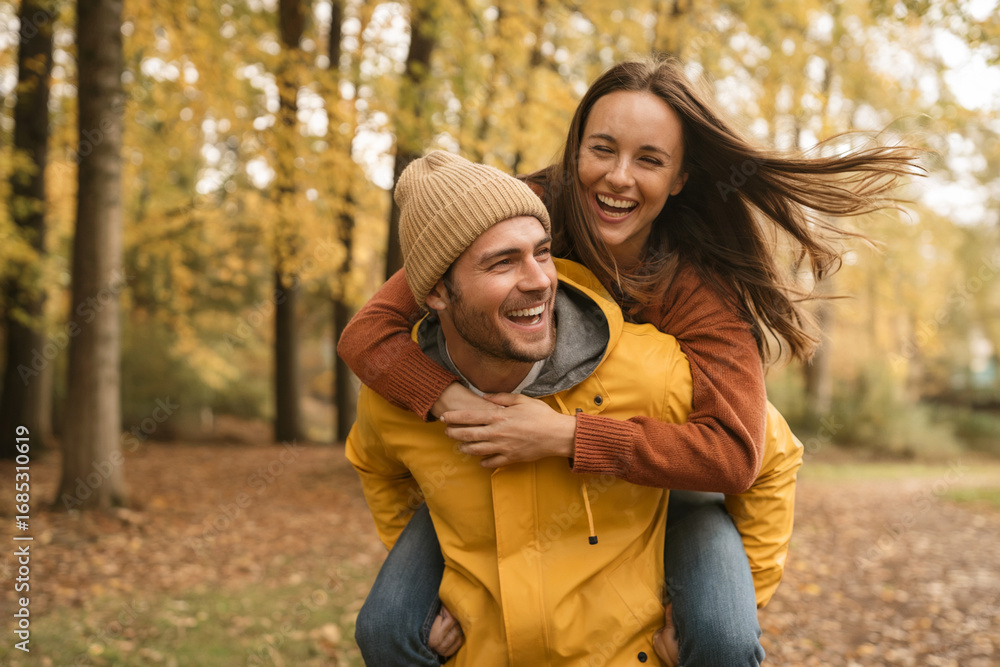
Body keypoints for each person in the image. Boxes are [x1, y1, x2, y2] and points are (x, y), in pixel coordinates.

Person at [339, 57, 921, 665]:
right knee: (385, 629)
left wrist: (567, 436)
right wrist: (449, 399)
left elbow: (736, 454)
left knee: (721, 638)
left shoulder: (701, 291)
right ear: (574, 152)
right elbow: (368, 332)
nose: (617, 178)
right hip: (497, 470)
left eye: (649, 160)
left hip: (675, 482)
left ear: (679, 178)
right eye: (602, 149)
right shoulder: (514, 214)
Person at [345, 150, 803, 666]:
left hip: (644, 615)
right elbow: (376, 466)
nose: (540, 279)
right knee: (383, 631)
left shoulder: (650, 367)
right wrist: (439, 590)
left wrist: (739, 605)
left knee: (724, 638)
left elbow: (766, 456)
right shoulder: (392, 390)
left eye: (542, 252)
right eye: (501, 261)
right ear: (433, 292)